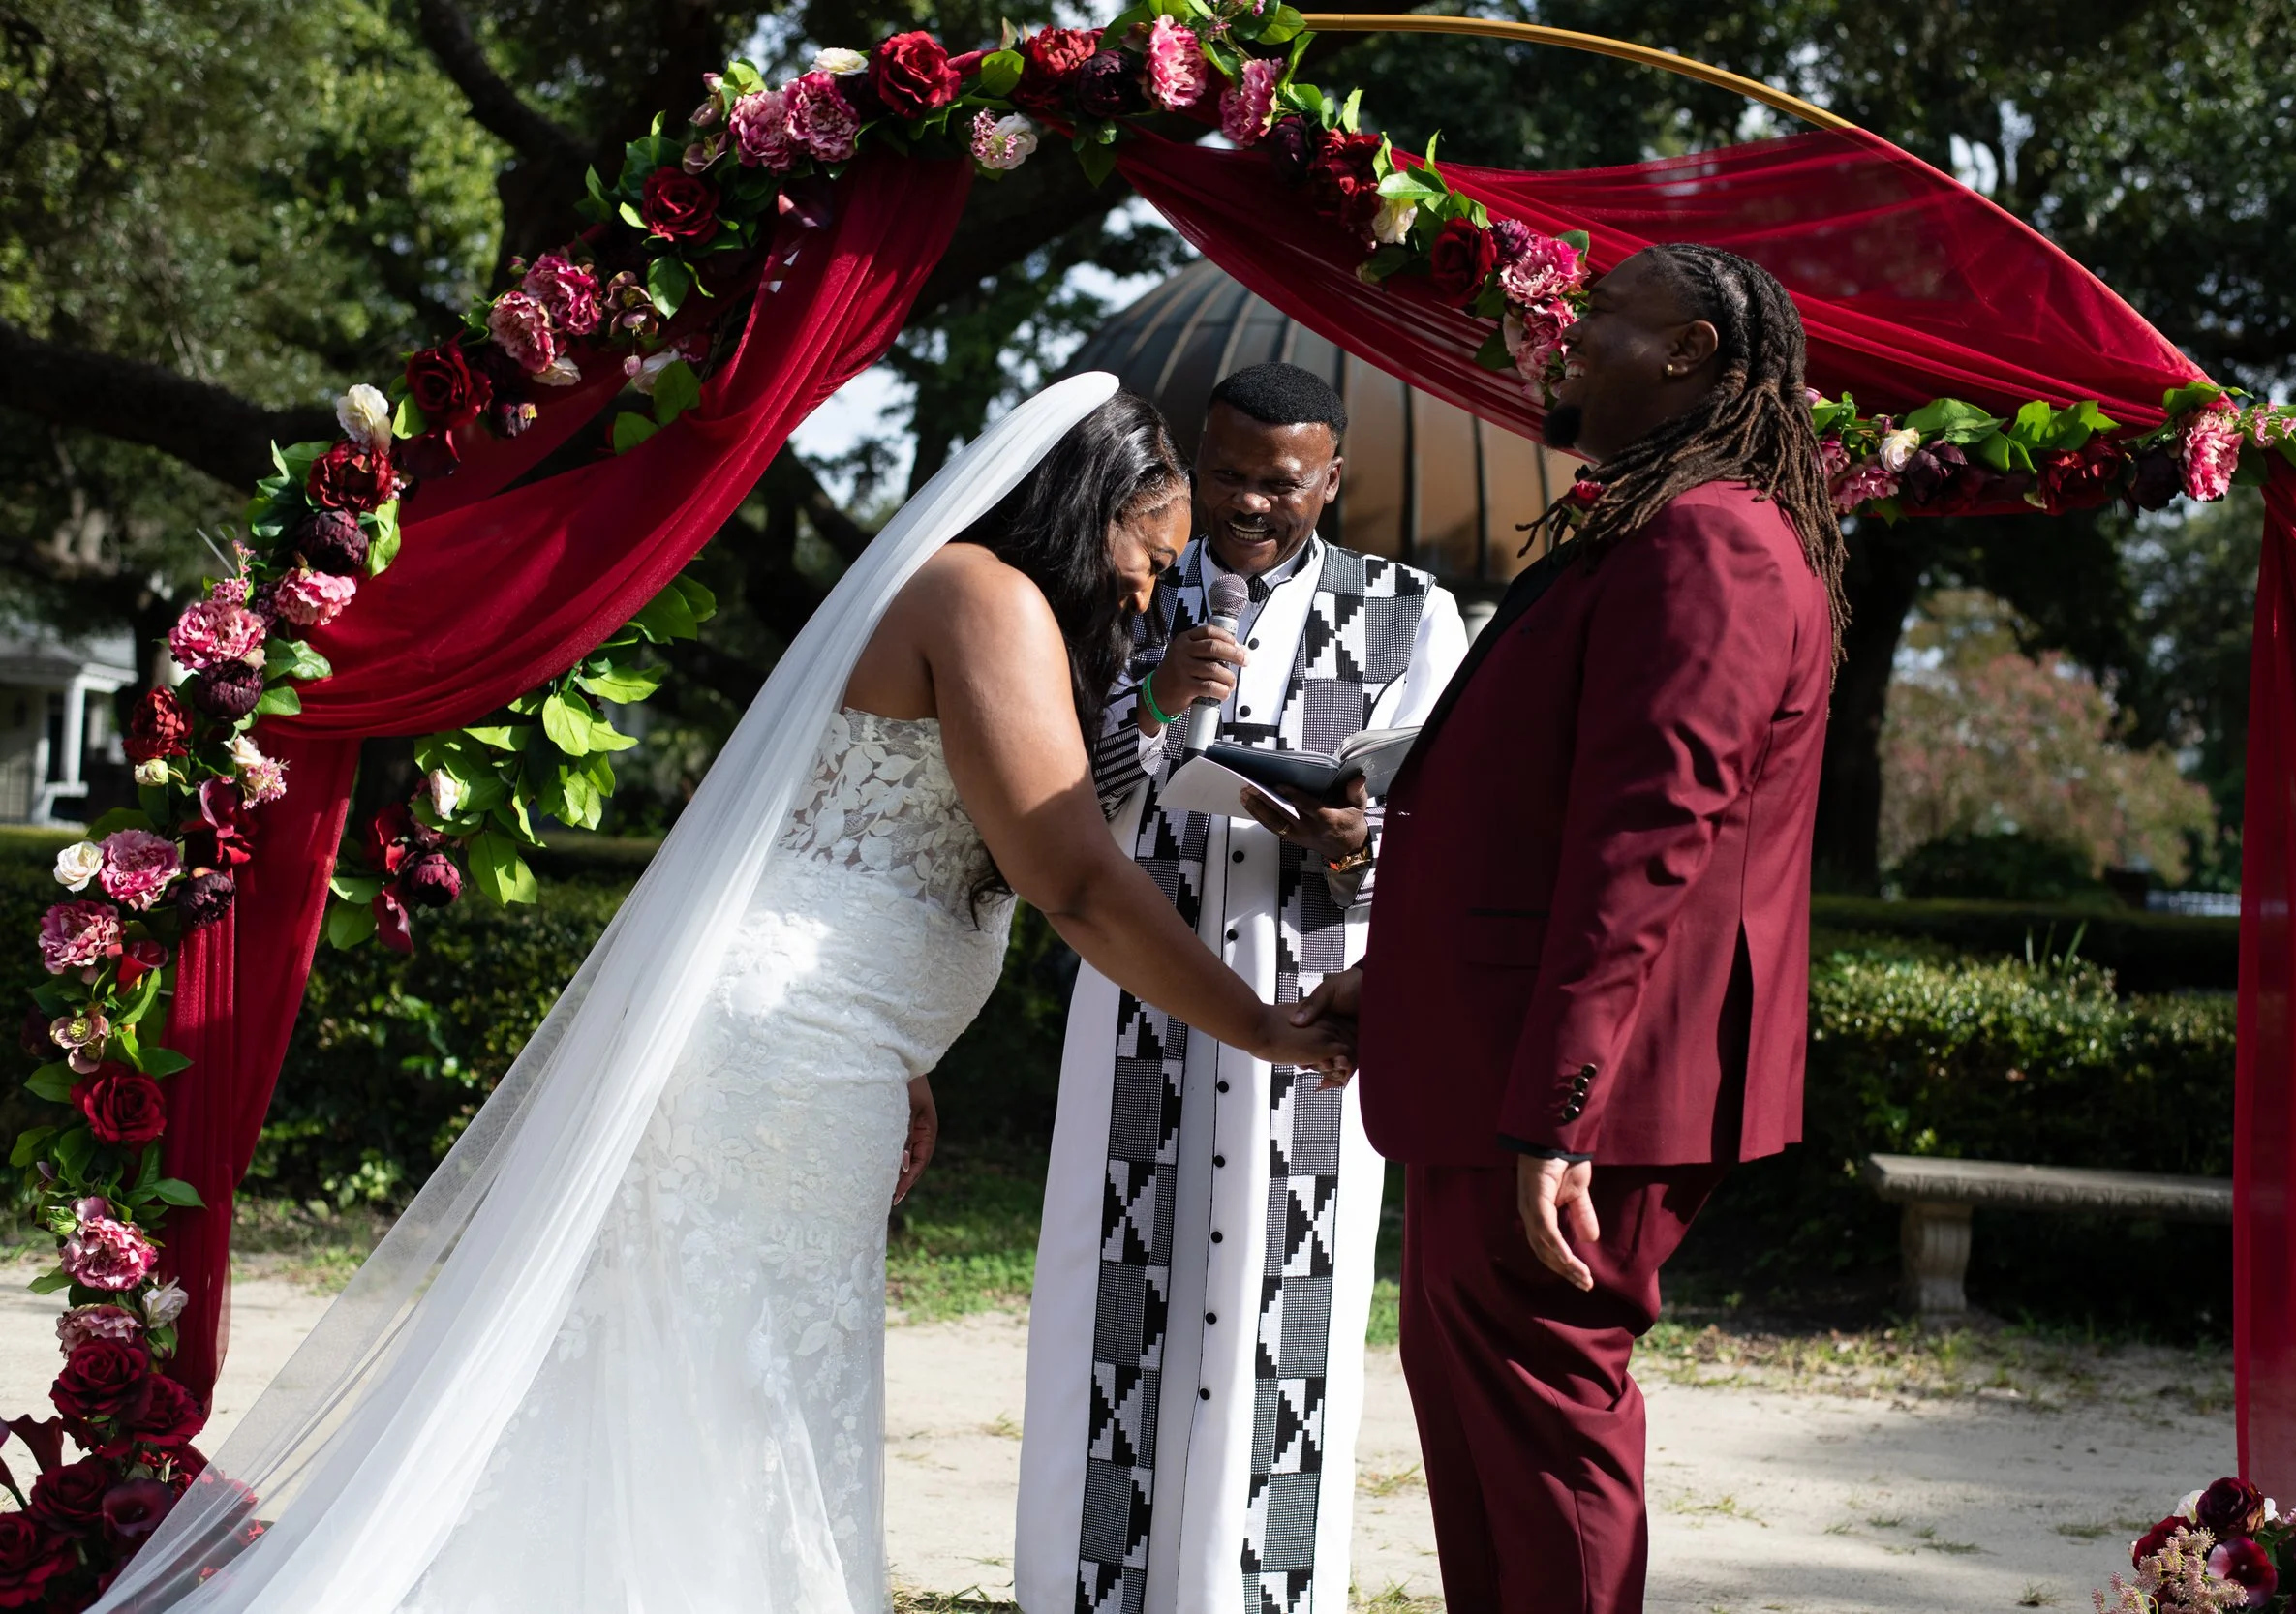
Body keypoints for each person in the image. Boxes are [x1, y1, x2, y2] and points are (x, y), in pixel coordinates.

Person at [95, 376, 1351, 1614]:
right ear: (1087, 503)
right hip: (782, 1061)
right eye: (1149, 547)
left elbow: (853, 847)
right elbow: (1073, 878)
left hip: (821, 1050)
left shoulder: (971, 601)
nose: (1151, 584)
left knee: (702, 1379)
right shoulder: (986, 595)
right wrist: (1268, 1026)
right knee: (741, 1389)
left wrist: (906, 1049)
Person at [1294, 244, 1849, 1614]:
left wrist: (1560, 1109)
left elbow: (1650, 841)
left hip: (1567, 1097)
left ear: (1691, 356)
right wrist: (1408, 972)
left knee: (1545, 1432)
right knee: (1479, 1429)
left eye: (1606, 316)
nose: (1569, 335)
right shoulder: (1648, 525)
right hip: (1498, 1059)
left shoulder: (1713, 540)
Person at [1016, 363, 1465, 1614]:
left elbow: (1448, 827)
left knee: (1287, 1300)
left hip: (1318, 990)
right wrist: (1155, 701)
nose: (1253, 504)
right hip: (1141, 997)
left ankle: (1255, 1592)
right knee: (1120, 1294)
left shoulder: (1410, 613)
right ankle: (1092, 1587)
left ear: (1333, 477)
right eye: (1228, 475)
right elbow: (1048, 805)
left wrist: (1363, 850)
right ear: (1195, 461)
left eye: (1285, 482)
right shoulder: (1120, 590)